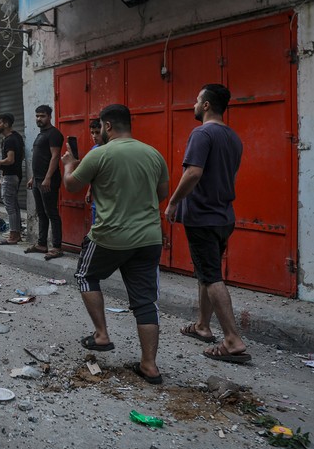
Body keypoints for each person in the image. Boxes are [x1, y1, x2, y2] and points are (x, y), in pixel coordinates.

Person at [61, 104, 170, 384]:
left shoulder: (101, 153)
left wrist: (69, 164)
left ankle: (101, 335)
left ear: (107, 126)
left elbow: (72, 186)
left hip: (110, 236)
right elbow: (161, 193)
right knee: (145, 301)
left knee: (86, 275)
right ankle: (149, 366)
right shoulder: (153, 154)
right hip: (148, 238)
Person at [165, 84, 248, 364]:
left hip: (202, 216)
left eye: (197, 100)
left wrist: (174, 202)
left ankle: (232, 340)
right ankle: (202, 326)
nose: (193, 104)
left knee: (211, 276)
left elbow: (193, 173)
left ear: (207, 105)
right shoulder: (233, 137)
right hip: (224, 216)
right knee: (205, 271)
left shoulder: (202, 133)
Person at [27, 104, 64, 259]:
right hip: (37, 180)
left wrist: (48, 177)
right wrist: (33, 178)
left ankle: (57, 247)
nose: (39, 119)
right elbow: (40, 158)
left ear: (49, 116)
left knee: (52, 213)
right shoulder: (41, 134)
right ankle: (42, 244)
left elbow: (55, 157)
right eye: (37, 116)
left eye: (42, 116)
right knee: (41, 213)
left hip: (48, 181)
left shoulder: (54, 134)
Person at [0, 113, 25, 245]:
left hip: (10, 175)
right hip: (16, 174)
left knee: (10, 206)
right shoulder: (17, 136)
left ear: (6, 124)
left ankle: (13, 236)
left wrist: (0, 162)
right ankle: (16, 233)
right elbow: (21, 156)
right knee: (14, 205)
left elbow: (10, 159)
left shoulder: (9, 140)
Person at [84, 118, 102, 226]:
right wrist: (89, 191)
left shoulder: (112, 149)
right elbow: (93, 173)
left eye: (97, 133)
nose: (94, 136)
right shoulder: (94, 149)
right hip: (96, 197)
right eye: (92, 133)